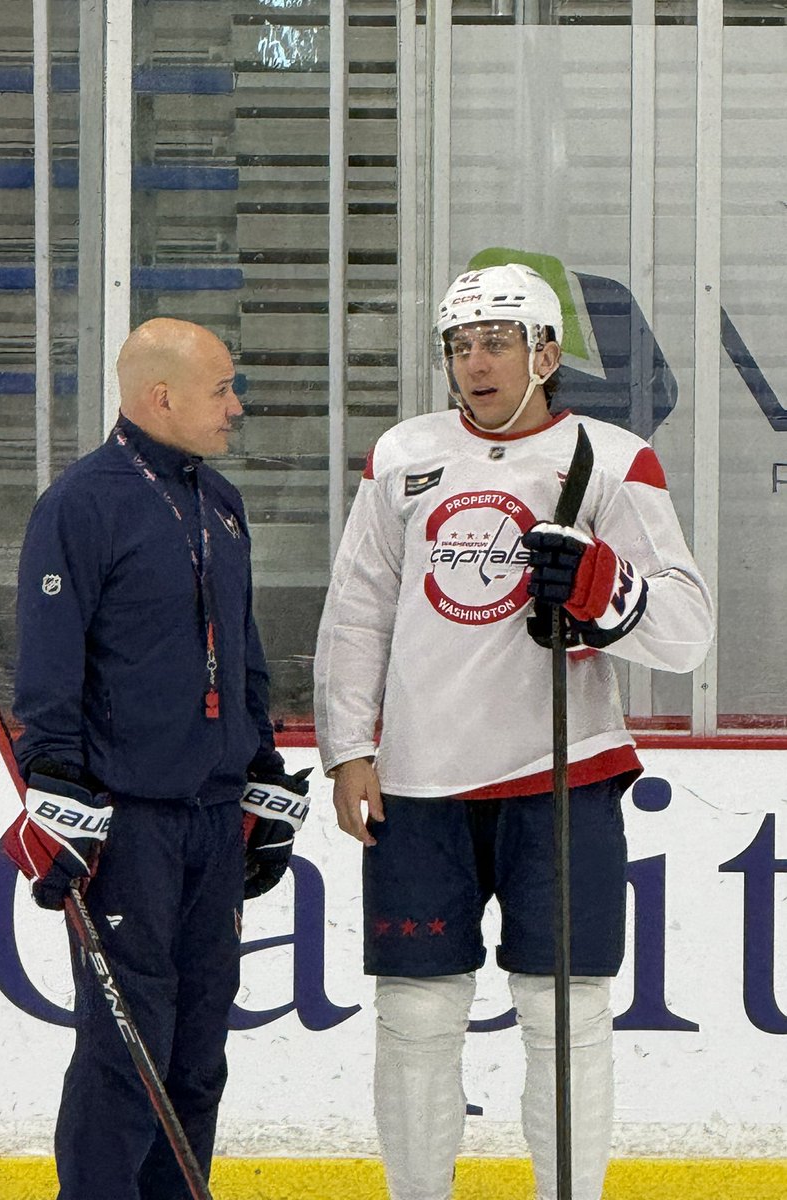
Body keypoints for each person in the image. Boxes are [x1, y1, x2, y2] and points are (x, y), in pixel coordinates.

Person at [313, 263, 714, 1200]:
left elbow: (687, 632)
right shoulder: (404, 453)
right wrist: (348, 750)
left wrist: (609, 593)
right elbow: (357, 611)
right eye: (460, 345)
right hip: (416, 782)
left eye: (496, 341)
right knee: (415, 1015)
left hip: (561, 776)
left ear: (545, 352)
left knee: (566, 1015)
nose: (475, 362)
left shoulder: (610, 460)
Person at [1, 318, 311, 1200]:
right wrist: (54, 785)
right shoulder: (81, 505)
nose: (236, 406)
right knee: (126, 1053)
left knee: (196, 1052)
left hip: (212, 820)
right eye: (221, 389)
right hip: (128, 825)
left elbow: (240, 654)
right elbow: (50, 669)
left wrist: (259, 770)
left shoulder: (220, 503)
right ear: (160, 394)